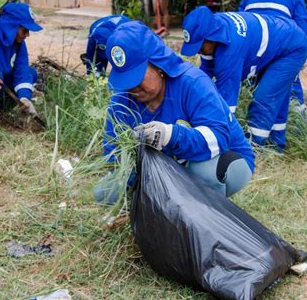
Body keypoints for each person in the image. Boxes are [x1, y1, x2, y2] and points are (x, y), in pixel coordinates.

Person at [95, 21, 255, 203]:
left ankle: (203, 216)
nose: (132, 86)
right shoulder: (122, 102)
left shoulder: (192, 83)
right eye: (126, 79)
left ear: (157, 65)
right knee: (105, 192)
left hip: (224, 159)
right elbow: (113, 155)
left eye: (137, 76)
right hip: (169, 168)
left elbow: (218, 139)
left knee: (202, 173)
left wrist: (170, 135)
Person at [181, 6, 307, 150]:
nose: (198, 51)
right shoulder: (216, 30)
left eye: (200, 46)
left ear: (212, 38)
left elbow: (226, 106)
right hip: (278, 39)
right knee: (275, 97)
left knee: (264, 99)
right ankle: (276, 147)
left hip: (292, 47)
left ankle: (254, 150)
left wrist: (217, 139)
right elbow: (204, 76)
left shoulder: (230, 51)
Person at [238, 0, 307, 116]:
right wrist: (303, 51)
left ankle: (250, 117)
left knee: (253, 80)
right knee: (288, 79)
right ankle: (299, 124)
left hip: (256, 43)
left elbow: (240, 20)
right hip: (282, 42)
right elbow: (301, 23)